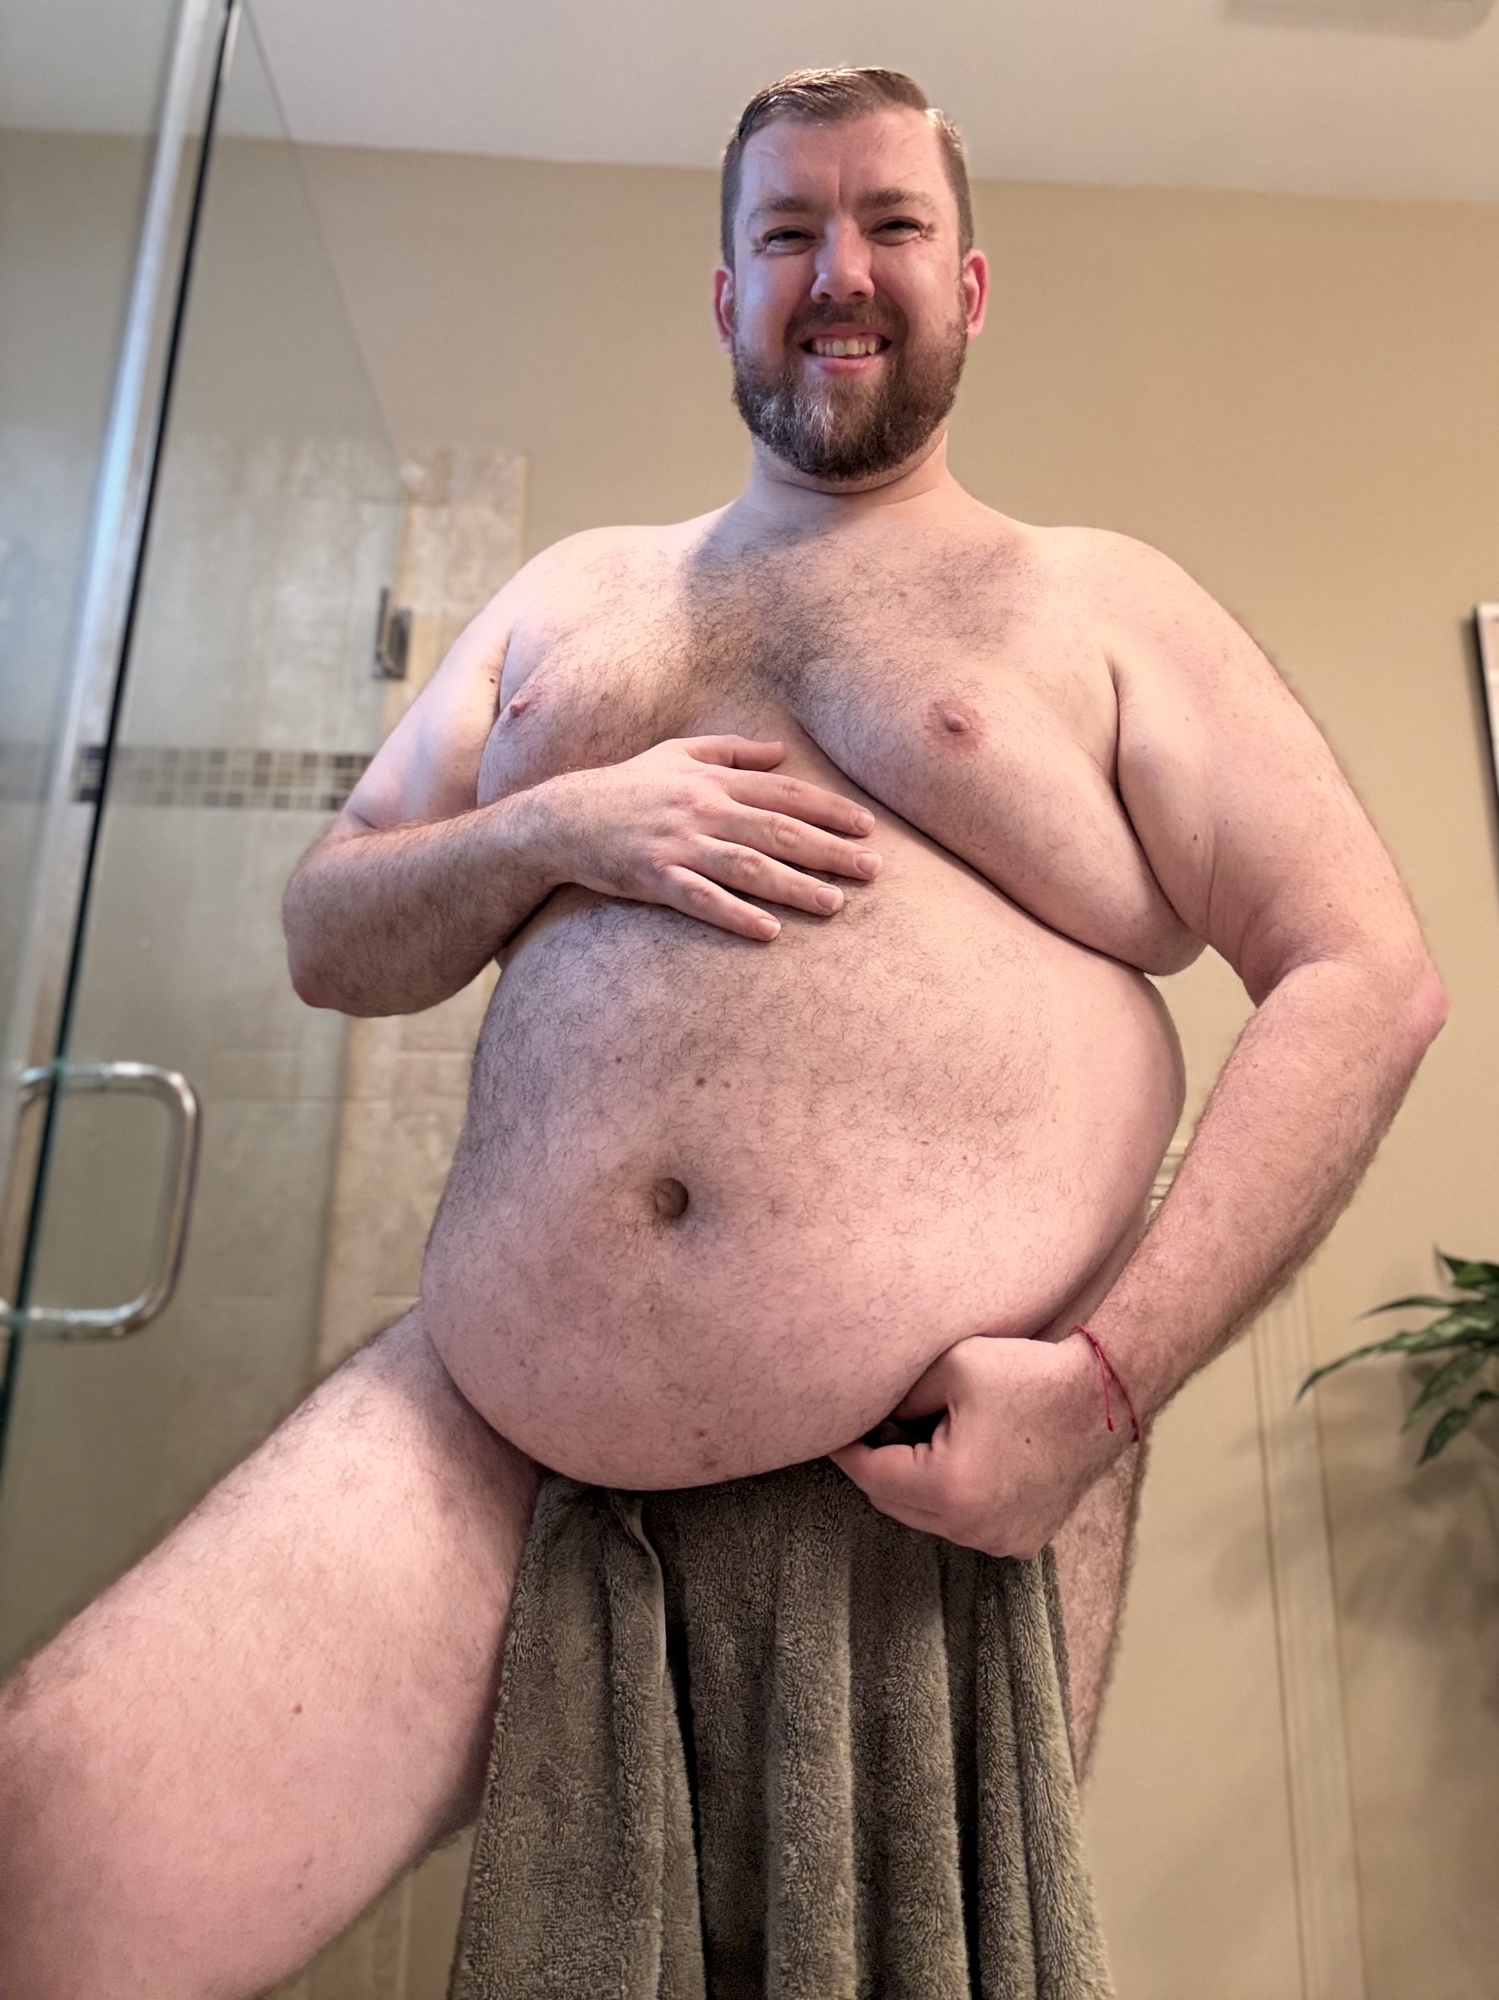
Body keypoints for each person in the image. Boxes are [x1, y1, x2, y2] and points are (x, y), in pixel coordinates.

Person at [0, 67, 1444, 1999]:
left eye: (892, 224)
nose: (839, 270)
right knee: (49, 1849)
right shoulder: (574, 595)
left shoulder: (1097, 599)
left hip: (919, 1466)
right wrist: (552, 827)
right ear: (726, 293)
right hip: (489, 1418)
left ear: (971, 286)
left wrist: (1104, 1392)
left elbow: (1362, 971)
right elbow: (331, 927)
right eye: (787, 231)